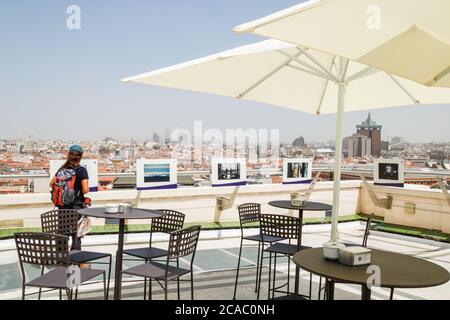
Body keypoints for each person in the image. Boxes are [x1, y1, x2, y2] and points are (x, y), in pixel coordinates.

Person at [50, 144, 90, 250]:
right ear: (81, 156)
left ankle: (61, 258)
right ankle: (76, 260)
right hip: (76, 207)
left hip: (63, 207)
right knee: (76, 235)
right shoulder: (81, 170)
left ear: (69, 155)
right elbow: (85, 190)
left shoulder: (62, 169)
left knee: (62, 234)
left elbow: (51, 183)